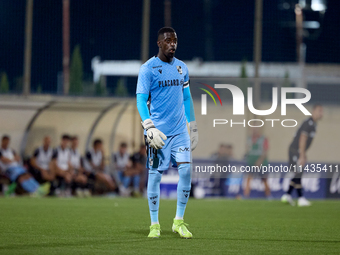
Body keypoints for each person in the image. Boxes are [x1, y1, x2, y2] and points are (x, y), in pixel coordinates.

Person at [136, 27, 198, 238]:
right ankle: (155, 224)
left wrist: (194, 125)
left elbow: (187, 98)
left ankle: (178, 221)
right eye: (168, 41)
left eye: (175, 41)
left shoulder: (182, 68)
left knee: (186, 171)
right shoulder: (148, 69)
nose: (172, 44)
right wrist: (149, 126)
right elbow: (140, 100)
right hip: (158, 134)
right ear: (159, 43)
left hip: (180, 131)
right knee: (155, 176)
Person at [281, 104, 323, 207]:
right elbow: (302, 138)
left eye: (321, 111)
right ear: (313, 111)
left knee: (297, 173)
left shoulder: (313, 124)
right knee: (299, 172)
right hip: (296, 150)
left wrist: (303, 154)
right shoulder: (308, 123)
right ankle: (300, 198)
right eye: (319, 111)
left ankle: (287, 195)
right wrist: (302, 155)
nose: (321, 113)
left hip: (297, 151)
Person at [244, 127, 271, 199]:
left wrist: (260, 161)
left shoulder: (263, 139)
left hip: (262, 163)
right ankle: (246, 195)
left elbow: (265, 151)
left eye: (255, 129)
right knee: (249, 178)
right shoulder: (249, 138)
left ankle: (268, 195)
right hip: (251, 161)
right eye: (253, 129)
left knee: (264, 179)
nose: (254, 131)